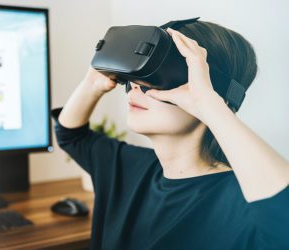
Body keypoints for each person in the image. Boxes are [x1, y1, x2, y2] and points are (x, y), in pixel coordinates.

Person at [50, 20, 289, 250]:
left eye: (157, 78)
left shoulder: (244, 202)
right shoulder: (128, 168)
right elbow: (71, 136)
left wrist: (209, 105)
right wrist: (92, 82)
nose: (136, 85)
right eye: (138, 75)